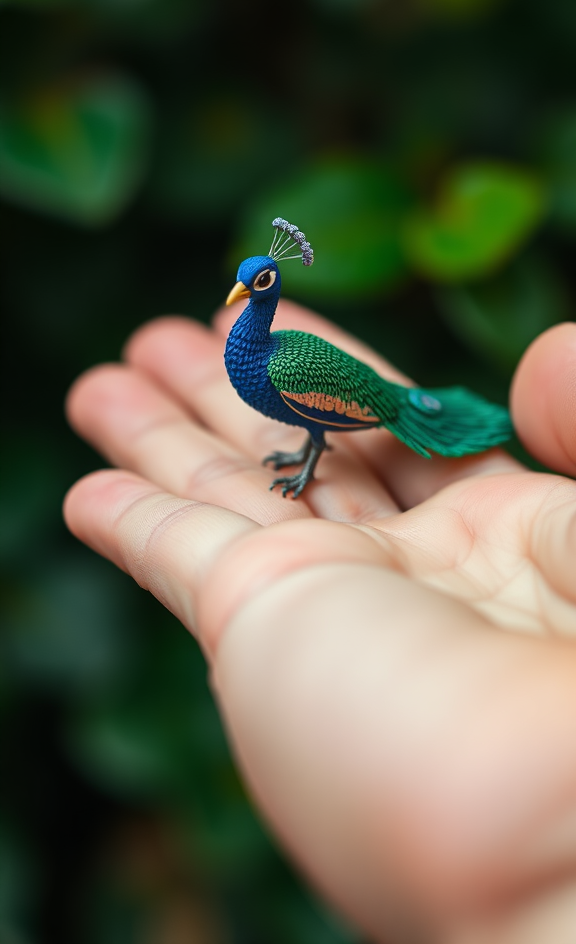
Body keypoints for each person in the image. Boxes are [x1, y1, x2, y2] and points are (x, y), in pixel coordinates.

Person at [64, 301, 576, 944]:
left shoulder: (288, 359)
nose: (244, 293)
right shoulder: (269, 354)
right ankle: (308, 458)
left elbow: (335, 406)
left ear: (267, 291)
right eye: (244, 285)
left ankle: (310, 460)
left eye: (257, 285)